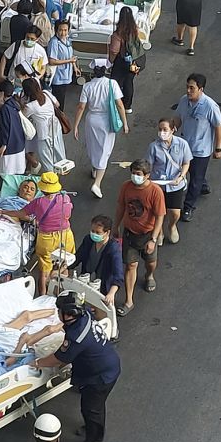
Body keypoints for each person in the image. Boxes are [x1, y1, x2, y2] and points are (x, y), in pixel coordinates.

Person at [34, 292, 120, 442]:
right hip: (101, 365)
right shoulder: (84, 314)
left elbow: (58, 359)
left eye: (60, 310)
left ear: (68, 314)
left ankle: (93, 438)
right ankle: (90, 427)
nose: (57, 313)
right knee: (91, 406)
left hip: (101, 376)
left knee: (92, 409)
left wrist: (37, 363)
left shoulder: (77, 337)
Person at [0, 172, 74, 295]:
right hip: (65, 236)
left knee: (44, 271)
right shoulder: (65, 198)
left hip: (47, 239)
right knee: (64, 264)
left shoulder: (38, 203)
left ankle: (42, 296)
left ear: (41, 189)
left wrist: (1, 212)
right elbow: (67, 215)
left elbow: (21, 214)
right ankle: (63, 294)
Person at [113, 159, 166, 316]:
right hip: (130, 233)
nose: (135, 177)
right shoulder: (126, 187)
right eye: (133, 173)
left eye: (138, 174)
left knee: (151, 262)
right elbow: (121, 206)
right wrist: (116, 226)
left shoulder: (155, 192)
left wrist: (153, 239)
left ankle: (149, 275)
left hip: (148, 235)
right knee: (130, 266)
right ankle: (129, 301)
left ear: (147, 175)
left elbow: (160, 216)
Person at [73, 59, 129, 199]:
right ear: (106, 70)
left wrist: (75, 126)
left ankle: (94, 168)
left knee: (93, 146)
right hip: (106, 120)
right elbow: (120, 105)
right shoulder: (112, 83)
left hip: (92, 119)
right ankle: (97, 183)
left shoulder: (87, 86)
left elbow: (81, 107)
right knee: (105, 149)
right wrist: (125, 123)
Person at [172, 73, 221, 222]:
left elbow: (218, 127)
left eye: (192, 88)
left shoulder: (209, 106)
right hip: (185, 146)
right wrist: (170, 128)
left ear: (201, 89)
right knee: (191, 173)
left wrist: (218, 148)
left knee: (194, 178)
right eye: (187, 87)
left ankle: (188, 207)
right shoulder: (184, 101)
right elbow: (178, 118)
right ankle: (203, 185)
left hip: (201, 149)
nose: (188, 91)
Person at [146, 119, 191, 244]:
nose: (162, 132)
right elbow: (148, 165)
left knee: (175, 212)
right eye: (160, 129)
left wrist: (181, 176)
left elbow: (186, 162)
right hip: (158, 184)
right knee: (157, 211)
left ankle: (171, 226)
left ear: (173, 130)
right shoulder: (153, 147)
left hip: (175, 184)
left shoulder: (182, 144)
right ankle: (159, 231)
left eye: (165, 129)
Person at [68, 215, 123, 310]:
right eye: (92, 231)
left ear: (107, 232)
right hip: (86, 279)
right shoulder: (88, 240)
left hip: (102, 284)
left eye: (98, 232)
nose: (94, 234)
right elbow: (78, 257)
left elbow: (118, 274)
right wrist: (66, 267)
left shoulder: (113, 248)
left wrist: (111, 293)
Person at [21, 78, 64, 174]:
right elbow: (57, 104)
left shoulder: (31, 106)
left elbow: (22, 116)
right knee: (57, 152)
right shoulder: (46, 93)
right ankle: (58, 172)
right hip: (55, 127)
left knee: (46, 158)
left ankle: (51, 180)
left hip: (44, 133)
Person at [108, 7, 144, 113]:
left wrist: (111, 62)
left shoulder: (118, 34)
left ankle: (116, 104)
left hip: (121, 61)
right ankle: (128, 106)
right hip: (134, 60)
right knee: (129, 82)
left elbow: (114, 50)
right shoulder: (135, 29)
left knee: (115, 83)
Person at [0, 80, 26, 175]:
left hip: (9, 147)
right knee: (17, 173)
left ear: (2, 93)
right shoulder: (15, 103)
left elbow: (5, 128)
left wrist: (3, 145)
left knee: (8, 175)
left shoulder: (5, 108)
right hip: (19, 143)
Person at [48, 20, 79, 109]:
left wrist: (74, 67)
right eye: (61, 30)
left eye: (65, 30)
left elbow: (70, 56)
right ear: (56, 30)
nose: (63, 33)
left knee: (62, 101)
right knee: (57, 103)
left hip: (66, 76)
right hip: (58, 77)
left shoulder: (67, 41)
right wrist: (68, 61)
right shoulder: (54, 42)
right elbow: (52, 61)